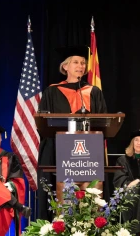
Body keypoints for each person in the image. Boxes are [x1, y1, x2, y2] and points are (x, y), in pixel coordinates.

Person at [37, 45, 107, 220]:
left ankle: (92, 223)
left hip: (88, 152)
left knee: (90, 191)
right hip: (57, 149)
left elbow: (103, 121)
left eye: (83, 63)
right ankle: (57, 224)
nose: (80, 66)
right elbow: (44, 122)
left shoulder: (93, 92)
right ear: (65, 66)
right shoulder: (52, 91)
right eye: (75, 62)